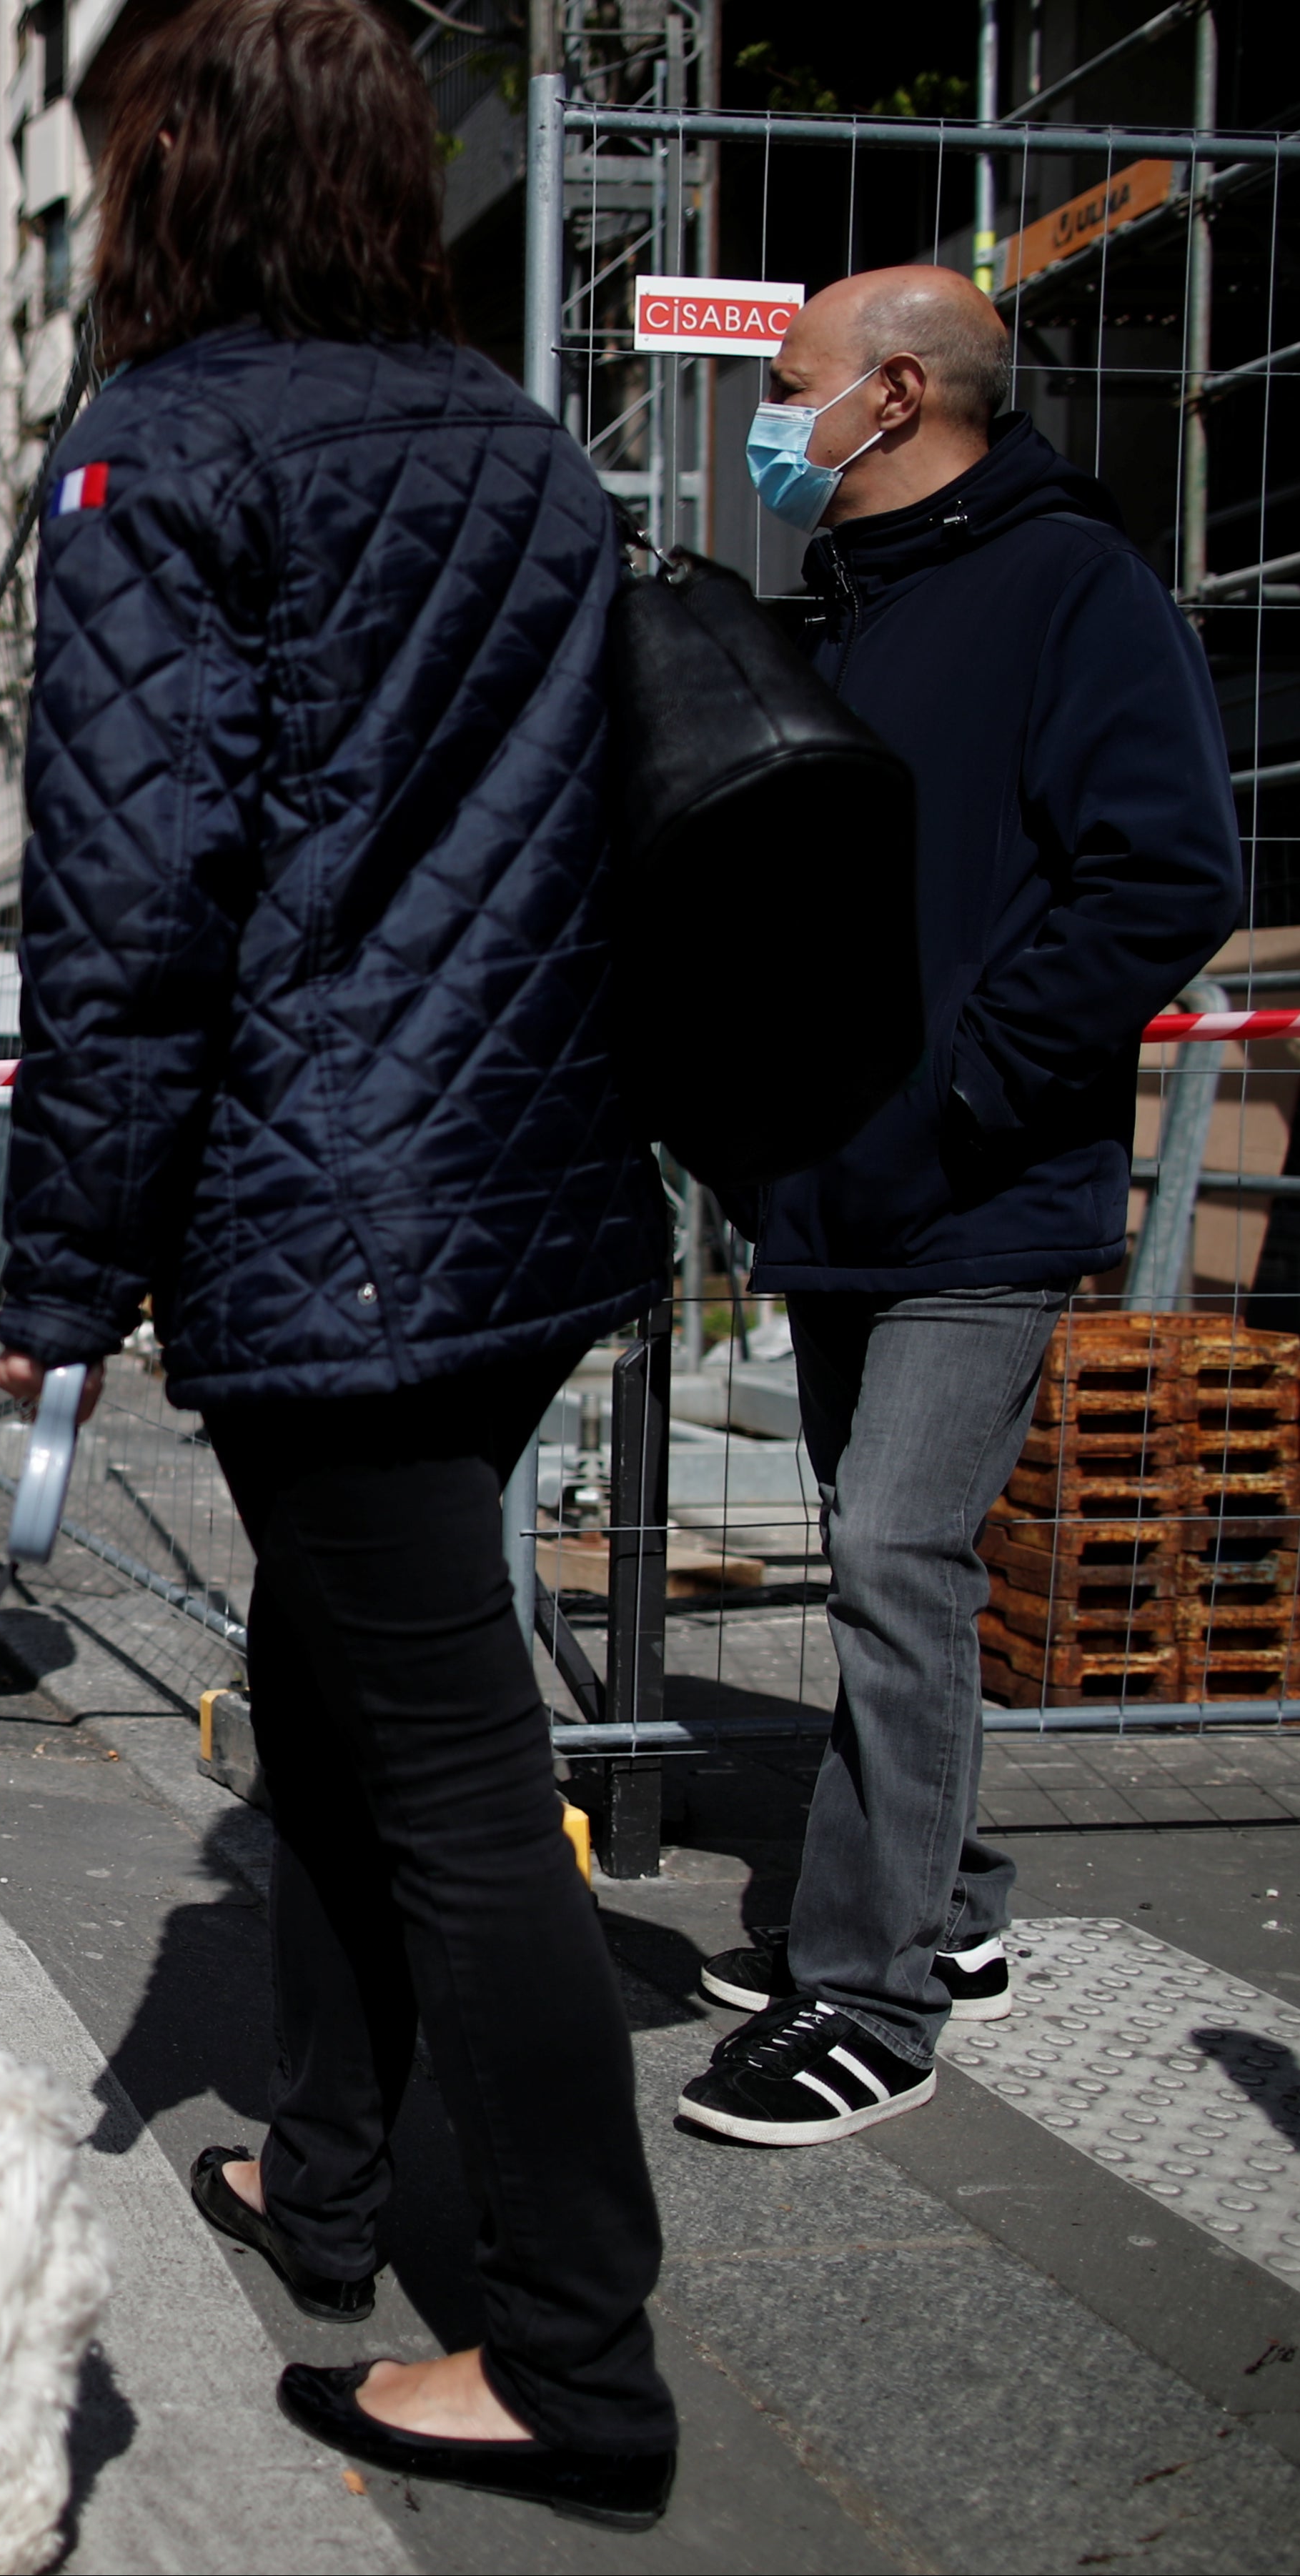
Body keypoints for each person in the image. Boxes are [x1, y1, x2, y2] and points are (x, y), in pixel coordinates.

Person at [0, 0, 678, 2526]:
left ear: (177, 166)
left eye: (97, 170)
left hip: (333, 1210)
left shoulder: (157, 448)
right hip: (518, 1187)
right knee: (332, 1687)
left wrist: (63, 1265)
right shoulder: (516, 439)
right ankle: (330, 2172)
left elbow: (132, 903)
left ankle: (575, 2363)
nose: (83, 220)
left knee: (462, 1776)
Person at [683, 268, 1242, 2146]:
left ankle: (870, 1989)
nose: (768, 417)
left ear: (896, 391)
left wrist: (978, 1081)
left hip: (983, 1190)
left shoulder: (1072, 587)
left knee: (895, 1552)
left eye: (788, 385)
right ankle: (959, 1896)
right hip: (835, 1184)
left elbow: (1165, 866)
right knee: (880, 1542)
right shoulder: (840, 605)